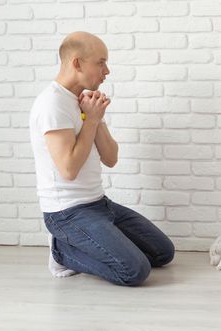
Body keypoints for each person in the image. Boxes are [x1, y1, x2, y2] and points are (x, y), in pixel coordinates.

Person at [29, 32, 174, 286]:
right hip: (67, 214)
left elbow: (111, 158)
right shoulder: (52, 104)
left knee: (163, 252)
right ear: (77, 63)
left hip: (99, 204)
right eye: (101, 62)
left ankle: (92, 242)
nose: (107, 70)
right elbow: (69, 169)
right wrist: (92, 120)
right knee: (134, 271)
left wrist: (95, 118)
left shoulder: (84, 102)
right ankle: (62, 251)